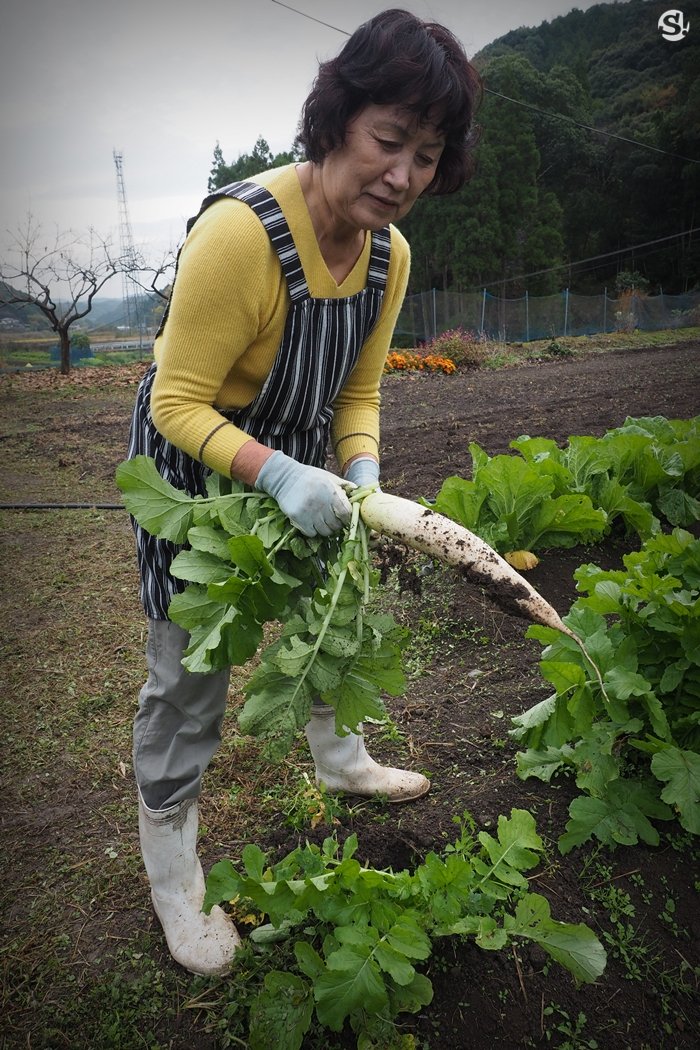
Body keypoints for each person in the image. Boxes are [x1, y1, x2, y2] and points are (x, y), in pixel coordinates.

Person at [126, 7, 481, 977]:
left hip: (305, 462)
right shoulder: (240, 235)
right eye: (388, 141)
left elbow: (357, 391)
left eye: (427, 154)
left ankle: (341, 758)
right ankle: (171, 868)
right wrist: (275, 473)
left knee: (337, 614)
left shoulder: (388, 258)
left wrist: (356, 472)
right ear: (335, 121)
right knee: (194, 671)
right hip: (196, 472)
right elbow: (177, 402)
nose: (403, 175)